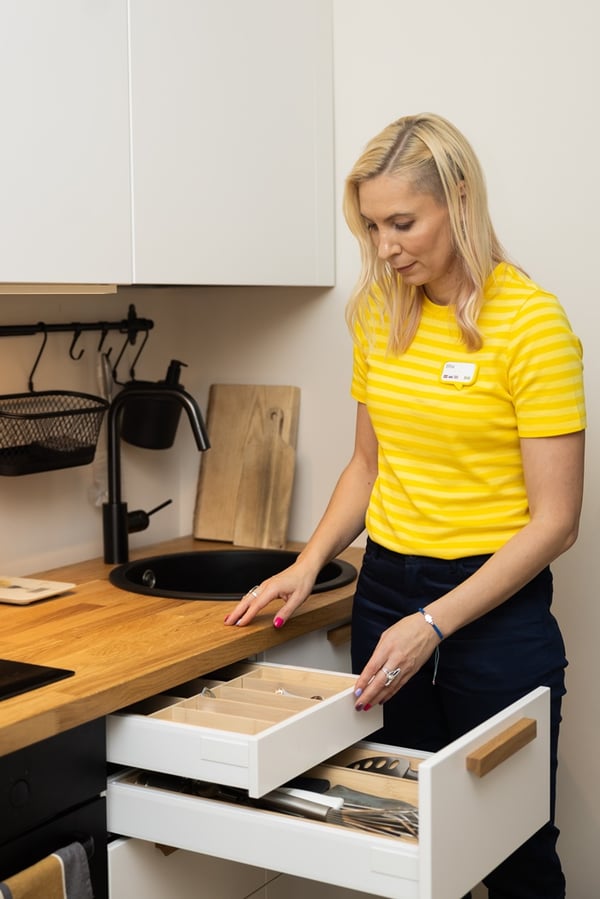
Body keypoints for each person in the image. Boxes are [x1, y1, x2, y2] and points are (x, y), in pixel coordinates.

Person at [224, 113, 586, 898]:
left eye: (401, 222)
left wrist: (434, 623)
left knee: (515, 846)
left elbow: (557, 521)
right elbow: (367, 463)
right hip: (385, 590)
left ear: (458, 197)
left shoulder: (532, 325)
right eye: (370, 226)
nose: (385, 248)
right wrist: (308, 563)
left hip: (494, 605)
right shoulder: (378, 313)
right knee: (399, 830)